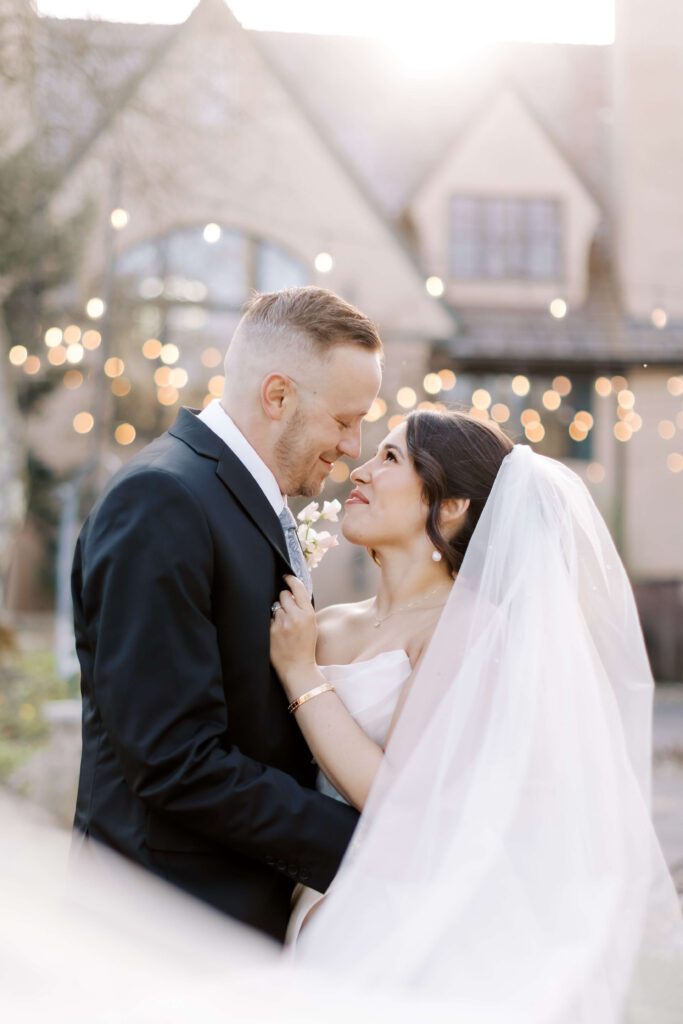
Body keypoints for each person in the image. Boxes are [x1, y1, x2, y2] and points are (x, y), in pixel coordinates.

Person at [271, 409, 683, 1019]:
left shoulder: (470, 627)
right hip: (312, 890)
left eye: (389, 459)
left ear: (451, 504)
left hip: (409, 922)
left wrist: (301, 675)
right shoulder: (325, 625)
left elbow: (398, 795)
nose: (358, 470)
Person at [70, 286, 383, 943]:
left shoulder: (233, 496)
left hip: (232, 919)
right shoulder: (163, 500)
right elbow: (172, 757)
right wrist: (371, 847)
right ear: (278, 396)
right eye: (344, 420)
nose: (353, 446)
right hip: (159, 927)